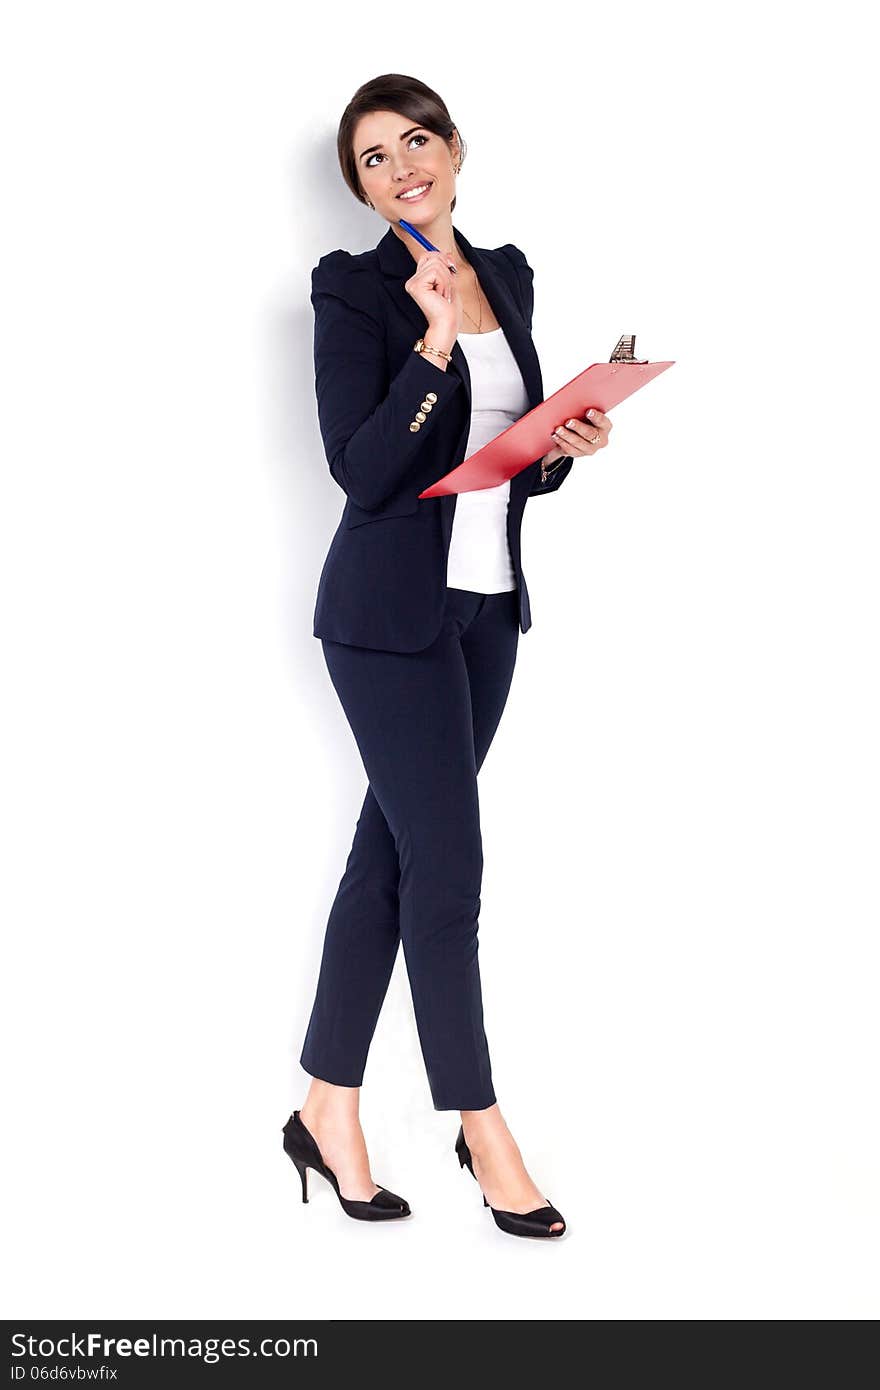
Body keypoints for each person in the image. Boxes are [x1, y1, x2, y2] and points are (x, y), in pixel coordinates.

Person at [283, 74, 612, 1239]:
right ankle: (482, 1127)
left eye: (416, 140)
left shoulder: (508, 272)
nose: (401, 166)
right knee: (450, 869)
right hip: (381, 624)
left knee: (392, 857)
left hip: (484, 618)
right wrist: (429, 344)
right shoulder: (354, 291)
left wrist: (564, 445)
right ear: (362, 187)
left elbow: (505, 458)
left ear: (456, 147)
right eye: (373, 158)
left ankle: (326, 1102)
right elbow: (365, 473)